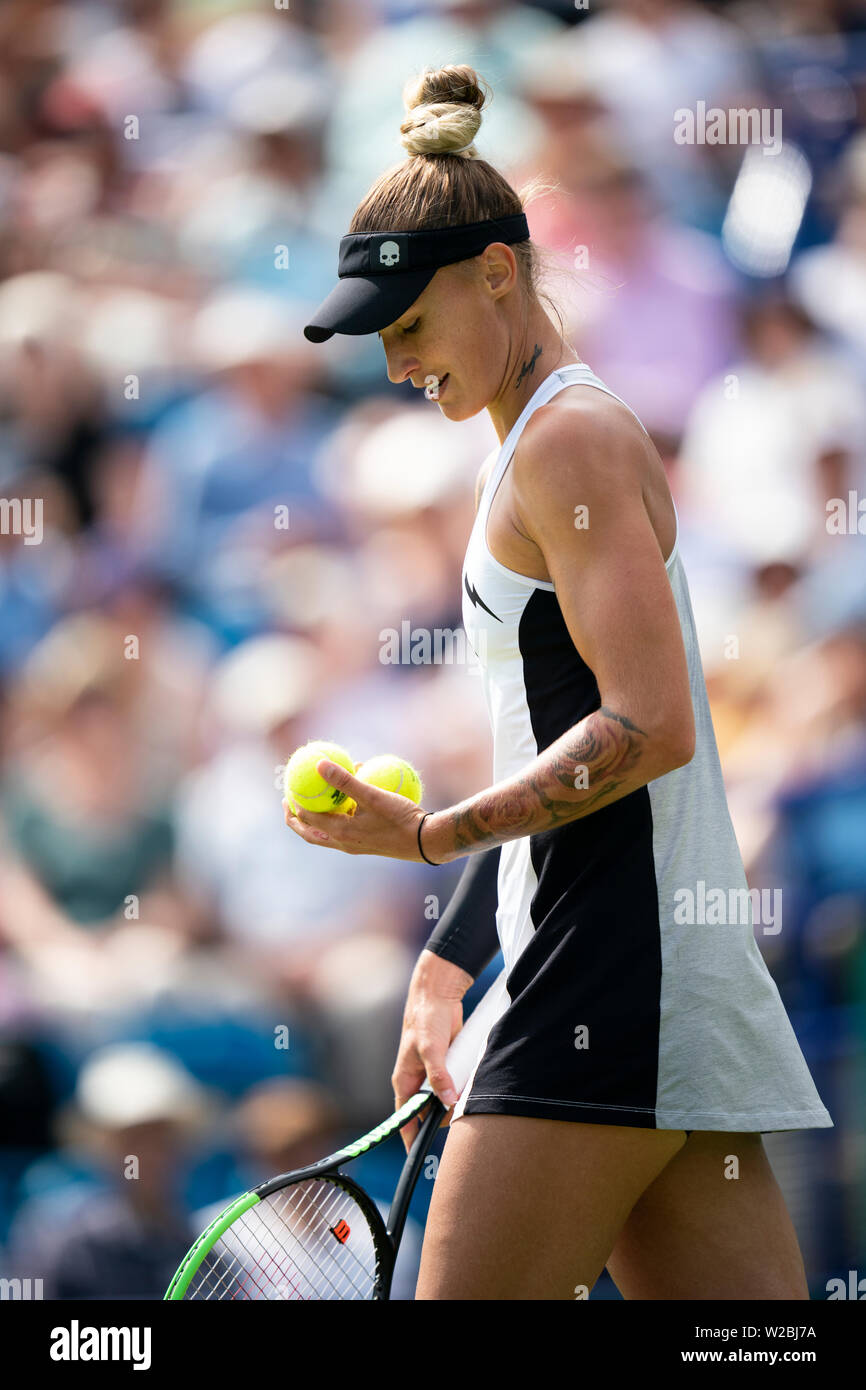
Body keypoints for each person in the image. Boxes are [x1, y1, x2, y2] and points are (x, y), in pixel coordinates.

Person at [284, 64, 833, 1300]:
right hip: (647, 995)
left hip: (601, 984)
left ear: (497, 275)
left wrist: (427, 837)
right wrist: (450, 953)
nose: (392, 365)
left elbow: (645, 728)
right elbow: (574, 748)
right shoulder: (530, 442)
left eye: (408, 326)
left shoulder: (567, 440)